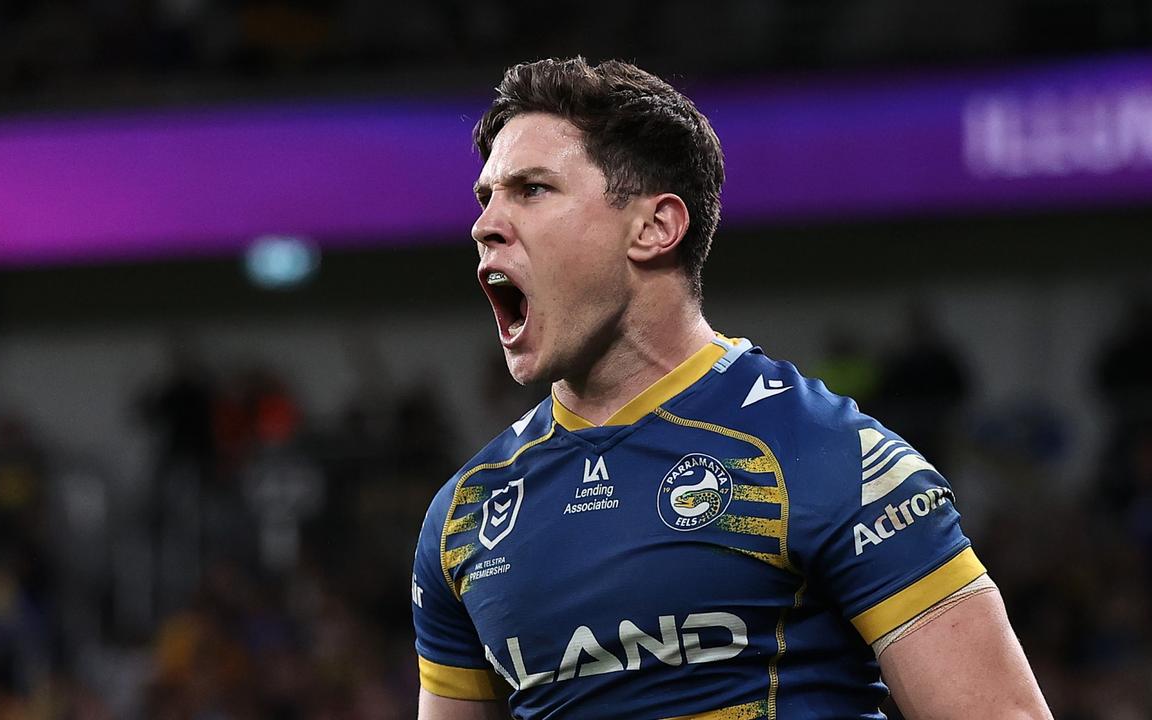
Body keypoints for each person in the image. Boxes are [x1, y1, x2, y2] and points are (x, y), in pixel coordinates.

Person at [412, 57, 1053, 719]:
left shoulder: (833, 461)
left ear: (655, 227)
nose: (484, 224)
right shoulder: (466, 517)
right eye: (487, 197)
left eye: (532, 189)